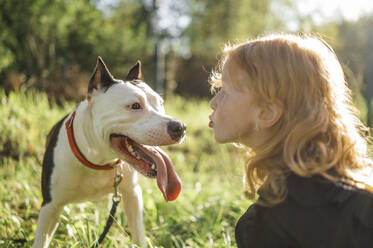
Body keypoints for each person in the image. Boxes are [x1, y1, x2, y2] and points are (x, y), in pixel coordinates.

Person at [208, 34, 373, 248]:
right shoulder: (361, 199)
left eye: (225, 91)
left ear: (267, 112)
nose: (213, 102)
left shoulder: (266, 225)